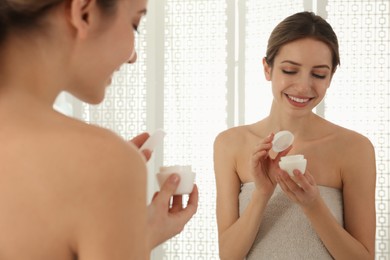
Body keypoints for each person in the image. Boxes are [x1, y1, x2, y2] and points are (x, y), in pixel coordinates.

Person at [0, 0, 198, 259]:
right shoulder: (105, 165)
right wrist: (110, 178)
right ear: (85, 12)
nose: (133, 56)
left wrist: (129, 232)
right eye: (134, 24)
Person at [214, 11, 376, 260]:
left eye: (319, 74)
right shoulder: (230, 144)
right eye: (290, 70)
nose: (303, 86)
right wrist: (262, 193)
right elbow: (228, 255)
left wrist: (314, 205)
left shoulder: (355, 148)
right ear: (267, 68)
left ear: (330, 77)